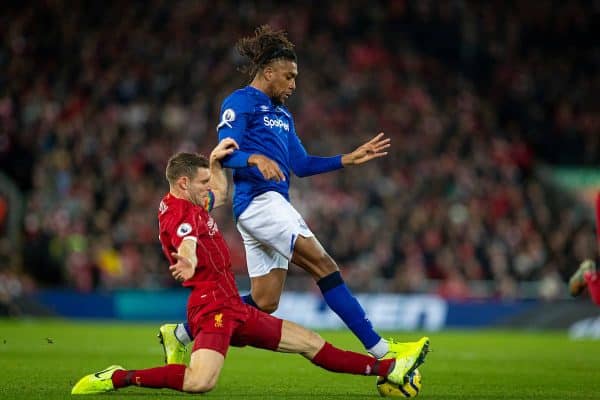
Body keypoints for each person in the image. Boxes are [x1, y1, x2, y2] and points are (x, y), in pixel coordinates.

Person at [71, 143, 429, 395]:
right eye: (201, 183)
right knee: (200, 382)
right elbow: (188, 241)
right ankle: (118, 378)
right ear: (183, 184)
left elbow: (221, 196)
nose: (206, 188)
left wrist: (216, 162)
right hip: (212, 308)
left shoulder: (190, 203)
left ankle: (389, 369)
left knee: (308, 342)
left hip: (233, 307)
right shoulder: (182, 215)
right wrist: (189, 259)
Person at [159, 24, 424, 364]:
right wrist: (254, 157)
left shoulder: (283, 115)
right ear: (268, 72)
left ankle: (181, 333)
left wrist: (347, 159)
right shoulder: (239, 103)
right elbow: (223, 153)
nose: (293, 85)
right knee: (323, 264)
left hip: (272, 205)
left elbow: (301, 163)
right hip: (258, 202)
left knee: (266, 300)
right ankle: (384, 350)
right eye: (288, 77)